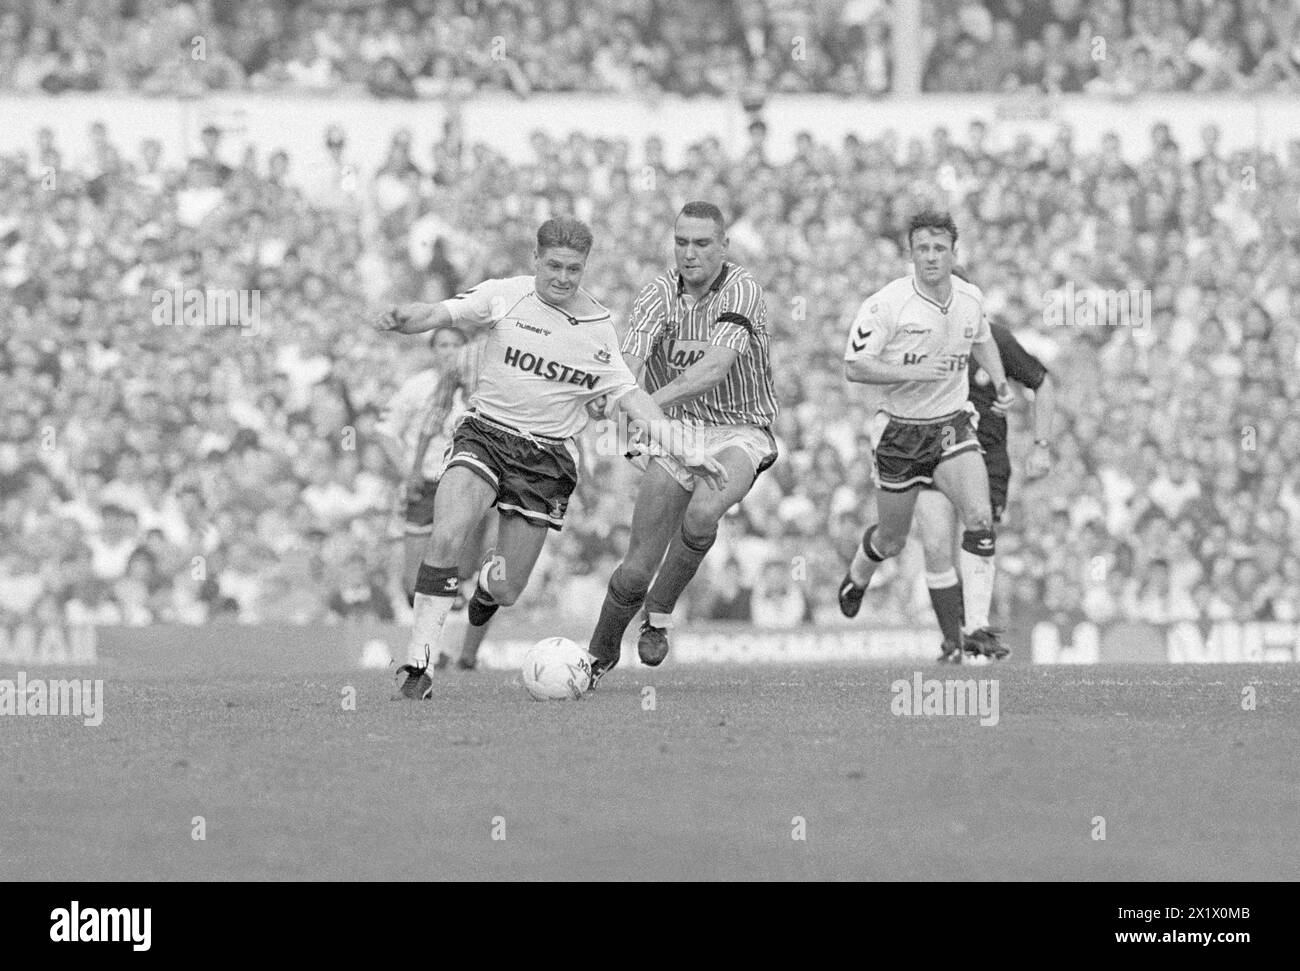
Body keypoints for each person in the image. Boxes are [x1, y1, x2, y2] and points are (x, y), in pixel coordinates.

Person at [371, 217, 727, 700]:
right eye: (553, 265)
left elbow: (631, 398)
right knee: (448, 533)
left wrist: (684, 447)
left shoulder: (597, 328)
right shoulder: (506, 294)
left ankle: (482, 594)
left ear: (584, 268)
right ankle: (419, 665)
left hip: (545, 461)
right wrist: (402, 318)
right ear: (535, 260)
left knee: (506, 590)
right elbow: (436, 315)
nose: (562, 276)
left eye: (573, 269)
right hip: (486, 434)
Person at [584, 201, 779, 685]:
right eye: (681, 242)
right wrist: (616, 395)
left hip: (739, 429)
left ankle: (660, 613)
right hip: (675, 434)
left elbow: (714, 368)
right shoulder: (655, 294)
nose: (689, 253)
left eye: (701, 243)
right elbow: (630, 359)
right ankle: (595, 657)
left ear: (724, 246)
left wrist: (643, 401)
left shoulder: (742, 289)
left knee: (703, 511)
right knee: (636, 567)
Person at [837, 210, 1013, 660]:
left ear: (954, 253)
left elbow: (983, 337)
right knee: (891, 541)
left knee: (978, 516)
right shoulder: (887, 305)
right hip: (899, 433)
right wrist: (909, 370)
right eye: (923, 249)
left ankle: (975, 627)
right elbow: (854, 366)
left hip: (951, 425)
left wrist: (1000, 380)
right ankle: (859, 575)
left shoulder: (969, 297)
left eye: (940, 248)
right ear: (910, 254)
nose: (931, 257)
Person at [913, 267, 1055, 662]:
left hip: (986, 457)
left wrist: (1041, 445)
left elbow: (1042, 382)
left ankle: (975, 628)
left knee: (979, 531)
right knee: (938, 544)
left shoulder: (997, 340)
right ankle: (952, 638)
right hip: (933, 454)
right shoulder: (916, 343)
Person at [374, 323, 498, 669]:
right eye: (441, 345)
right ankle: (435, 646)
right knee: (412, 579)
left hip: (465, 487)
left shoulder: (484, 386)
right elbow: (385, 432)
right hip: (425, 484)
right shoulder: (417, 387)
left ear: (466, 349)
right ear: (432, 351)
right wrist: (408, 473)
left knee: (459, 571)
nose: (447, 351)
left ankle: (446, 653)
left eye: (454, 344)